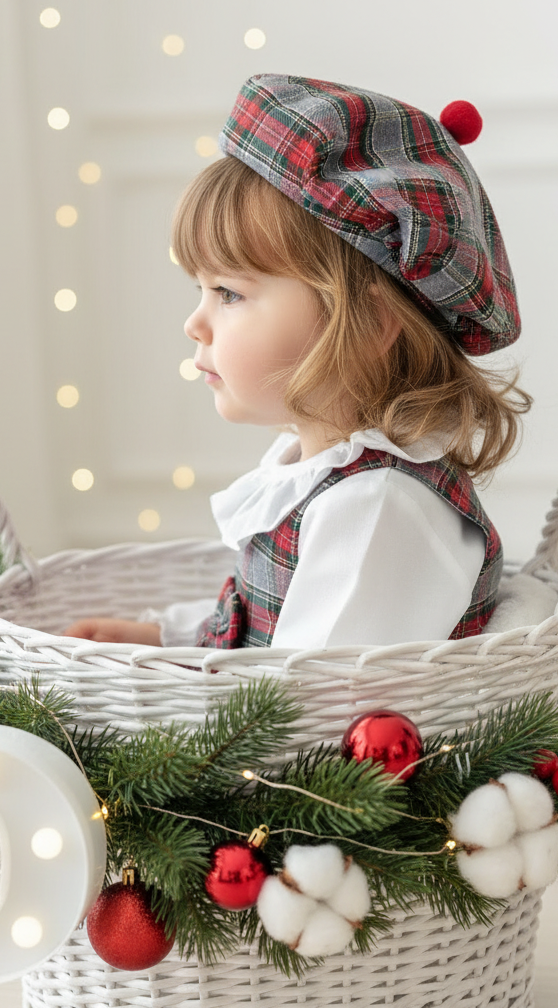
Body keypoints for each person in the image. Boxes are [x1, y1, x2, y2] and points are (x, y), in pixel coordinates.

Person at [64, 75, 531, 651]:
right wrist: (168, 636)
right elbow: (267, 624)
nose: (194, 324)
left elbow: (304, 695)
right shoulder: (320, 471)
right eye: (200, 289)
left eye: (229, 292)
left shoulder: (376, 508)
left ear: (370, 323)